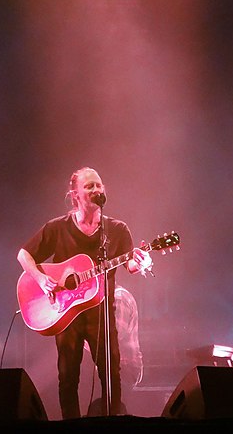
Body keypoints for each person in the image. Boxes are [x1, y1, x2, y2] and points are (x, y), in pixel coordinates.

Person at [17, 167, 152, 419]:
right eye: (89, 186)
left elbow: (131, 265)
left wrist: (142, 262)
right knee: (68, 376)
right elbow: (23, 254)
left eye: (99, 185)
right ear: (75, 194)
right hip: (66, 312)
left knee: (111, 374)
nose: (96, 190)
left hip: (102, 312)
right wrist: (41, 278)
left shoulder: (117, 230)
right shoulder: (57, 228)